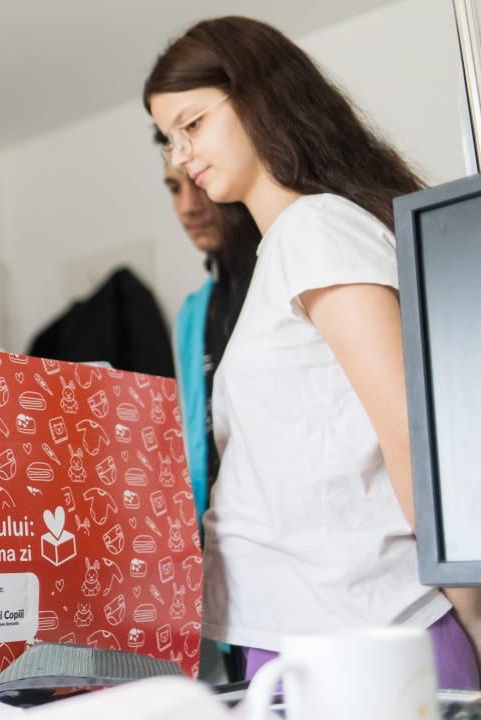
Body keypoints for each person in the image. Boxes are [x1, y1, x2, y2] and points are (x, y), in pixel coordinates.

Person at [144, 16, 481, 688]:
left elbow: (409, 438)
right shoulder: (285, 249)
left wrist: (474, 620)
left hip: (369, 634)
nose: (180, 156)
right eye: (169, 139)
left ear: (257, 96)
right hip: (306, 632)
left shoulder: (316, 230)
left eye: (192, 125)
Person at [155, 132, 259, 535]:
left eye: (196, 183)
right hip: (220, 540)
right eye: (173, 188)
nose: (188, 207)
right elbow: (198, 443)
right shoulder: (193, 313)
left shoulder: (282, 274)